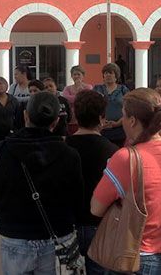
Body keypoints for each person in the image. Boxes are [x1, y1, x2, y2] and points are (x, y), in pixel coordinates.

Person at [91, 88, 161, 275]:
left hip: (138, 257)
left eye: (123, 116)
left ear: (132, 120)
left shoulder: (125, 158)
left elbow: (96, 208)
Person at [0, 91, 84, 275]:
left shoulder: (2, 150)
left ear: (25, 116)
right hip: (57, 237)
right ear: (55, 122)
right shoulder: (70, 155)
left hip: (15, 235)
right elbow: (77, 200)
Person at [65, 90, 118, 274]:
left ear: (75, 114)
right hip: (100, 223)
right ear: (102, 117)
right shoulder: (113, 151)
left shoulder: (63, 148)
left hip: (68, 224)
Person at [93, 63, 129, 147]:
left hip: (120, 129)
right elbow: (92, 107)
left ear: (116, 75)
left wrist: (117, 123)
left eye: (111, 73)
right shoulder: (97, 89)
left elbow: (129, 109)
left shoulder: (124, 90)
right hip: (100, 129)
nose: (108, 75)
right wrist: (100, 122)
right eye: (106, 73)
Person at [62, 65, 93, 134]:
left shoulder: (88, 87)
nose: (76, 76)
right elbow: (66, 99)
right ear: (71, 76)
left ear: (83, 75)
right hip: (70, 120)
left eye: (78, 74)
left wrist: (76, 95)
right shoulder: (67, 88)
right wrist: (79, 95)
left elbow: (85, 100)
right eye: (74, 74)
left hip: (84, 120)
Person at [0, 77, 20, 147]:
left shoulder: (13, 100)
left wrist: (15, 131)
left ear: (6, 86)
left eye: (1, 83)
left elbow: (18, 118)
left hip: (11, 134)